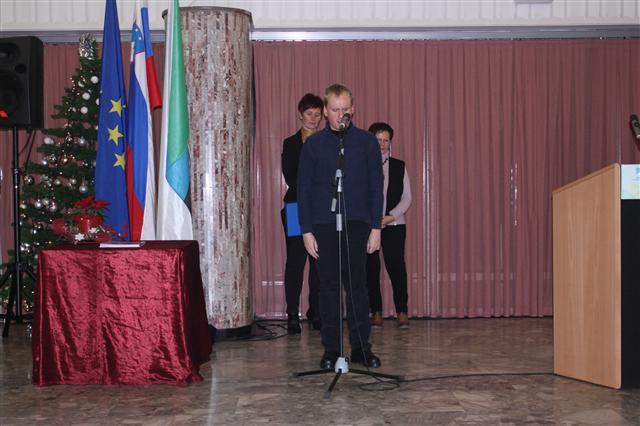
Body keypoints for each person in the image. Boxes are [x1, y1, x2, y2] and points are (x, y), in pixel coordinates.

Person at [297, 83, 384, 369]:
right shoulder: (314, 145)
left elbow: (376, 186)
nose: (340, 115)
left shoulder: (366, 142)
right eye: (334, 110)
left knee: (357, 287)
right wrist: (306, 229)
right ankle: (332, 350)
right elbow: (304, 189)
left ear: (353, 109)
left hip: (358, 222)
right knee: (329, 289)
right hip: (324, 223)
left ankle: (361, 348)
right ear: (325, 111)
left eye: (345, 109)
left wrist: (376, 227)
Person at [281, 93, 324, 334]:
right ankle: (292, 314)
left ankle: (316, 311)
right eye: (309, 114)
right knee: (296, 262)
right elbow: (291, 177)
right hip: (295, 207)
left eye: (317, 114)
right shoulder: (290, 143)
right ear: (300, 115)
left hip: (322, 210)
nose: (313, 119)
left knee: (319, 263)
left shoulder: (329, 142)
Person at [365, 122, 412, 329]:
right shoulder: (362, 165)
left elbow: (407, 198)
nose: (382, 144)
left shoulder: (399, 166)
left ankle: (402, 311)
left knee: (397, 268)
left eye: (386, 140)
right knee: (370, 269)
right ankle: (375, 312)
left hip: (394, 225)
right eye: (378, 140)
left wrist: (391, 217)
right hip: (369, 226)